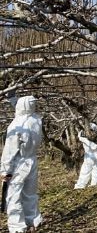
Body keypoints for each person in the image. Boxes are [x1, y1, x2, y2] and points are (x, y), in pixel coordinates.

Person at [0, 96, 43, 233]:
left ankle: (17, 227)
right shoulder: (36, 120)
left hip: (19, 163)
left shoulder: (16, 126)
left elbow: (10, 150)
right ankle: (33, 221)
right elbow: (24, 109)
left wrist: (5, 170)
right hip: (32, 159)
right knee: (30, 194)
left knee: (13, 195)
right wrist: (13, 98)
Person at [74, 123, 97, 189]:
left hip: (93, 157)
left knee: (92, 172)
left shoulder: (83, 136)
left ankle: (88, 185)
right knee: (89, 172)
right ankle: (83, 186)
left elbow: (95, 146)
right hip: (92, 156)